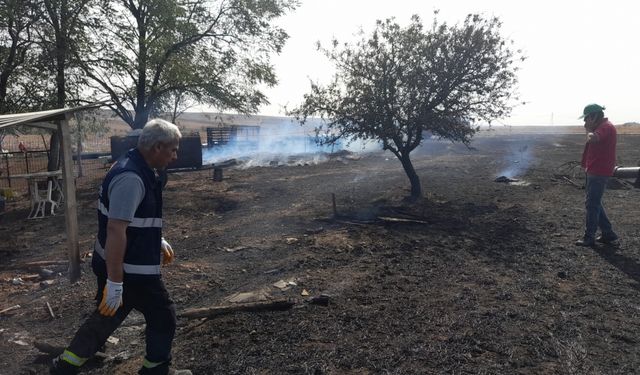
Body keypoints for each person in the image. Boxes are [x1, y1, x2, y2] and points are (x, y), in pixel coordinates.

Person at [50, 119, 191, 375]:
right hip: (130, 269)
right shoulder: (131, 178)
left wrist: (154, 239)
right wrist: (116, 283)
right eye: (172, 149)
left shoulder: (136, 165)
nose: (175, 155)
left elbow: (129, 220)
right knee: (163, 316)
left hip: (119, 263)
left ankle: (65, 367)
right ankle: (156, 371)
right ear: (157, 147)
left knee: (108, 315)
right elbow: (116, 229)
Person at [575, 104, 619, 247]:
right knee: (594, 203)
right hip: (596, 170)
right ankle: (608, 234)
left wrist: (589, 130)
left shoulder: (605, 127)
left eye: (586, 118)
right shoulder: (604, 126)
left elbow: (594, 138)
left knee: (592, 204)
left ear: (593, 116)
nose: (585, 122)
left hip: (599, 171)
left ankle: (589, 237)